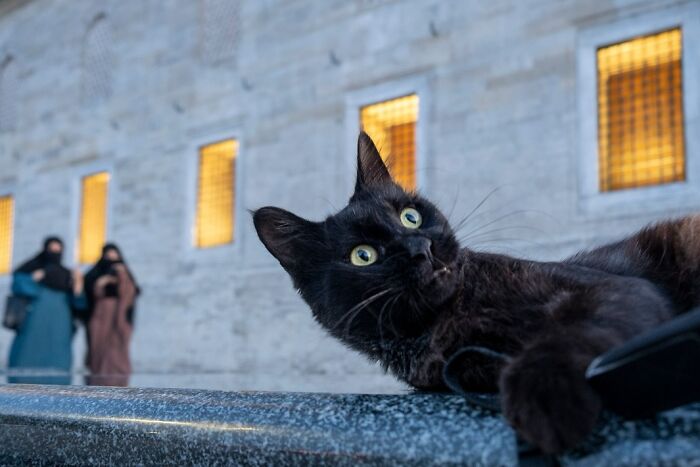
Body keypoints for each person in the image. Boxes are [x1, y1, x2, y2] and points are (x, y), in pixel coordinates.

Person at [7, 236, 84, 385]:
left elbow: (79, 303)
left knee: (58, 361)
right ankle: (20, 391)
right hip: (34, 319)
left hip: (61, 322)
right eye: (51, 249)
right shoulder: (31, 269)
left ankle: (57, 395)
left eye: (58, 249)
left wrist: (78, 285)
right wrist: (33, 279)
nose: (55, 252)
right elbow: (18, 286)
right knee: (27, 354)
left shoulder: (67, 274)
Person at [83, 243, 139, 386]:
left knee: (117, 347)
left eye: (115, 255)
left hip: (119, 315)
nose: (112, 259)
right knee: (99, 347)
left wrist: (121, 275)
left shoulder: (124, 272)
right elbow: (90, 293)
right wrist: (102, 282)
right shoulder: (96, 274)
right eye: (109, 255)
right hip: (101, 315)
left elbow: (130, 293)